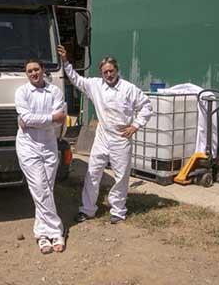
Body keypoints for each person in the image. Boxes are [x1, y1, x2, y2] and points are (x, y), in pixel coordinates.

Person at [57, 45, 152, 224]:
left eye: (111, 71)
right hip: (102, 136)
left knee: (121, 176)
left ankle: (118, 211)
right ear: (101, 73)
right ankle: (87, 209)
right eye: (105, 72)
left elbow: (146, 106)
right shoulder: (95, 85)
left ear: (117, 70)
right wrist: (65, 62)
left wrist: (136, 125)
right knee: (93, 172)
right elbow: (76, 80)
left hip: (121, 138)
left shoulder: (129, 89)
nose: (109, 75)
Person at [15, 59, 67, 254]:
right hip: (28, 146)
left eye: (36, 69)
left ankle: (42, 234)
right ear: (26, 74)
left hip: (48, 145)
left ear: (43, 70)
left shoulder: (55, 91)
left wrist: (32, 121)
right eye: (29, 71)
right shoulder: (22, 92)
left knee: (45, 190)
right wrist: (51, 118)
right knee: (40, 187)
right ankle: (56, 231)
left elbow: (58, 119)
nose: (33, 73)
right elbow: (28, 118)